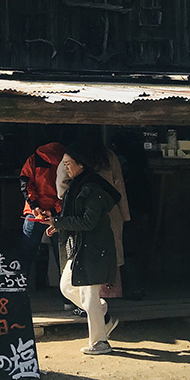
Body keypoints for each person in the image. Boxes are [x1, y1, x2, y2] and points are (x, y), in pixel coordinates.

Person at [48, 136, 122, 356]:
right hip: (81, 246)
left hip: (94, 248)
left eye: (68, 164)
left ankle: (100, 342)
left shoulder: (92, 188)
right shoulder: (77, 186)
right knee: (66, 287)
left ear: (81, 164)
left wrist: (58, 222)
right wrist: (57, 225)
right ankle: (101, 313)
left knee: (89, 298)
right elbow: (73, 218)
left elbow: (88, 222)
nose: (66, 169)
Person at [18, 142, 65, 286]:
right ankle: (68, 299)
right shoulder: (66, 160)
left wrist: (34, 206)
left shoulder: (33, 159)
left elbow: (25, 183)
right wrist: (55, 210)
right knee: (62, 256)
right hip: (57, 215)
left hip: (34, 215)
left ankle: (19, 290)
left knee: (26, 253)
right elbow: (67, 191)